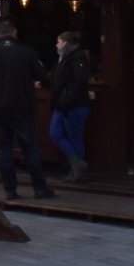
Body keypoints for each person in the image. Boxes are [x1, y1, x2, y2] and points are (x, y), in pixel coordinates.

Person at [0, 20, 55, 200]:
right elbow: (42, 75)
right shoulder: (26, 52)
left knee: (4, 148)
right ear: (15, 33)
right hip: (23, 105)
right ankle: (39, 188)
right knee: (30, 148)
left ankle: (10, 189)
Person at [49, 31, 92, 182]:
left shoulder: (77, 58)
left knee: (74, 136)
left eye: (58, 42)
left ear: (66, 43)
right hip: (63, 103)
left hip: (74, 104)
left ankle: (76, 169)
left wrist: (66, 99)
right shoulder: (63, 58)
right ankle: (77, 163)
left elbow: (78, 82)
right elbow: (55, 77)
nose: (56, 45)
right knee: (56, 133)